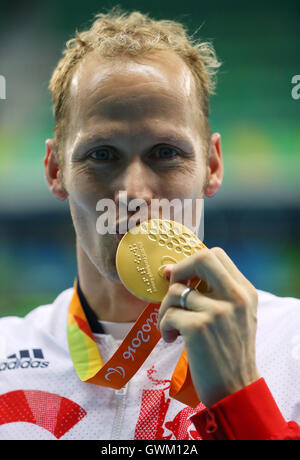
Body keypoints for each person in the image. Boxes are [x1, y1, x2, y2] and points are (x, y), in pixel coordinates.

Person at [0, 7, 300, 440]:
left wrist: (241, 398)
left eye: (165, 153)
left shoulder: (291, 344)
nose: (135, 193)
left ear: (213, 165)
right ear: (54, 170)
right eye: (101, 154)